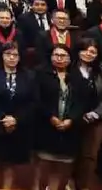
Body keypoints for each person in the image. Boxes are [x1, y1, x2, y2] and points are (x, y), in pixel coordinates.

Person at [34, 43, 89, 190]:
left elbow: (82, 102)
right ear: (51, 57)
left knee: (65, 164)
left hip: (70, 127)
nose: (59, 58)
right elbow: (37, 100)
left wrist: (71, 119)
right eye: (56, 55)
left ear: (70, 59)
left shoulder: (78, 78)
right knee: (44, 163)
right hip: (46, 125)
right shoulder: (40, 74)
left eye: (63, 55)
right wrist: (51, 117)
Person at [0, 42, 37, 189]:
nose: (11, 58)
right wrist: (2, 118)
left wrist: (16, 119)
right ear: (2, 56)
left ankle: (7, 187)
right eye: (8, 54)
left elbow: (32, 102)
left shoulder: (28, 75)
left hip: (18, 125)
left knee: (11, 161)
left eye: (15, 55)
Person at [72, 38, 102, 190]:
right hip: (72, 117)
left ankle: (83, 186)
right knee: (70, 153)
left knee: (89, 156)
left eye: (92, 51)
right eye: (84, 50)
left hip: (96, 118)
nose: (88, 54)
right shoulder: (70, 67)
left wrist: (96, 113)